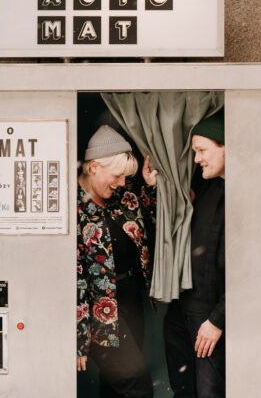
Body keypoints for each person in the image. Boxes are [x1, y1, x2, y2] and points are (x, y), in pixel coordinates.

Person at [76, 125, 159, 398]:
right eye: (117, 175)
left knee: (115, 387)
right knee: (136, 386)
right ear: (95, 167)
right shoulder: (71, 209)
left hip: (132, 300)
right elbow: (72, 277)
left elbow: (157, 225)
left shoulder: (125, 199)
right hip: (101, 313)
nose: (122, 183)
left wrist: (150, 187)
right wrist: (78, 337)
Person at [164, 111, 226, 398]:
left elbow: (248, 271)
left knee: (208, 392)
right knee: (184, 391)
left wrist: (217, 321)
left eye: (202, 150)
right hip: (182, 310)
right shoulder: (206, 186)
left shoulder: (243, 195)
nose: (197, 158)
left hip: (209, 316)